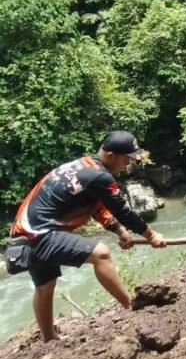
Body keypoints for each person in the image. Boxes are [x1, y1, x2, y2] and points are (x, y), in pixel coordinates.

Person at [7, 132, 167, 342]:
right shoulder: (100, 176)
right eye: (126, 159)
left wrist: (119, 230)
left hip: (24, 232)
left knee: (45, 285)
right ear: (110, 155)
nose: (127, 164)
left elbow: (96, 206)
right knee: (101, 254)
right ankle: (132, 307)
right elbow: (123, 211)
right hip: (38, 233)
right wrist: (151, 235)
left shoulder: (85, 166)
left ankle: (49, 338)